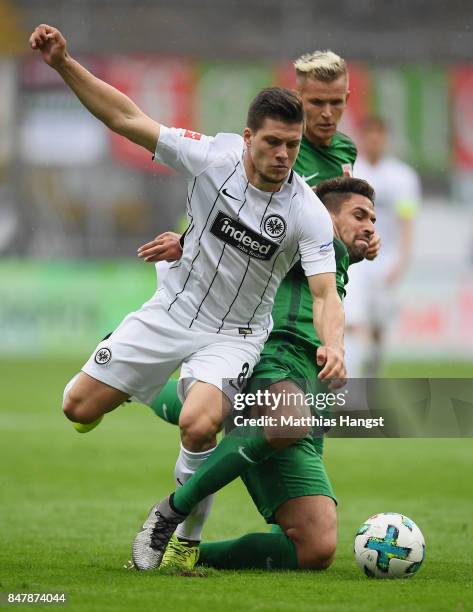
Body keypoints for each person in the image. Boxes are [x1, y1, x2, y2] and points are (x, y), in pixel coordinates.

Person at [29, 26, 345, 571]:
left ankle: (177, 538)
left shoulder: (307, 210)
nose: (283, 155)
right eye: (273, 142)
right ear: (248, 137)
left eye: (292, 146)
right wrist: (64, 63)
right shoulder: (210, 157)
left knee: (200, 423)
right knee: (75, 407)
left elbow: (324, 292)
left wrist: (335, 344)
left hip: (236, 334)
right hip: (169, 313)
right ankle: (135, 384)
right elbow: (126, 118)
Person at [133, 52, 378, 571]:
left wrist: (353, 242)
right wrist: (184, 240)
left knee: (315, 549)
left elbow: (318, 256)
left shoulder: (341, 156)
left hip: (311, 362)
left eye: (336, 103)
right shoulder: (270, 157)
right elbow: (221, 212)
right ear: (296, 97)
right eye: (315, 103)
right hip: (270, 343)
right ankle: (172, 518)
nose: (326, 114)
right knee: (264, 417)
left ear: (348, 101)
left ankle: (153, 391)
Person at [344, 116, 421, 377]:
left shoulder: (402, 177)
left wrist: (401, 261)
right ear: (362, 138)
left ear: (385, 138)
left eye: (379, 135)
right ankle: (350, 388)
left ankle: (371, 375)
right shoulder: (353, 172)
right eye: (369, 134)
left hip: (386, 260)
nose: (374, 140)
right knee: (353, 320)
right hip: (358, 259)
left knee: (377, 327)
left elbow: (407, 222)